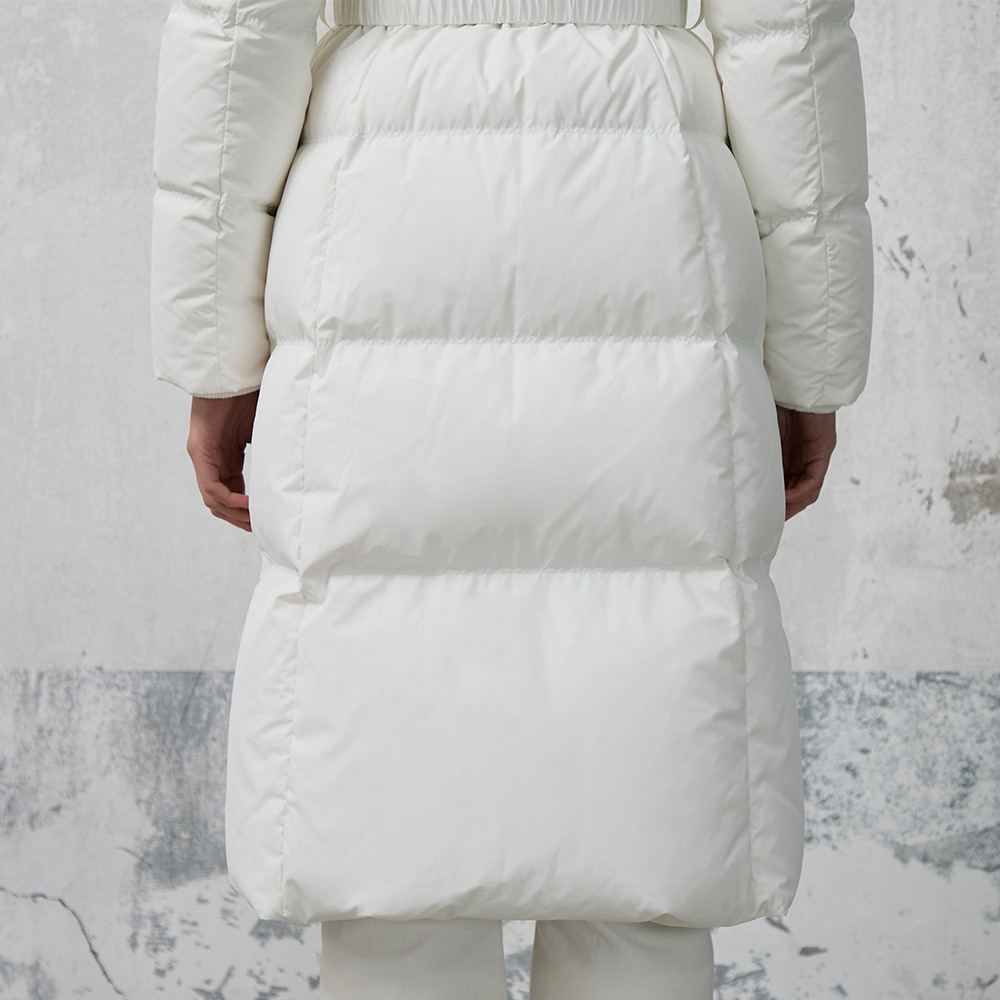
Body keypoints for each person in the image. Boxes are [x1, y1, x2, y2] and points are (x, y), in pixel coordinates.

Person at [151, 0, 873, 996]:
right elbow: (786, 34)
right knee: (645, 838)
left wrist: (215, 358)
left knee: (388, 848)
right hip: (646, 191)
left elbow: (237, 28)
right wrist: (813, 360)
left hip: (382, 197)